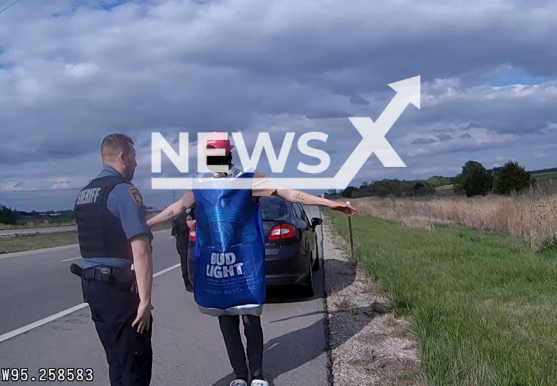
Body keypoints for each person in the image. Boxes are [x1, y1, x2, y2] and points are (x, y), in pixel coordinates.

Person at [146, 133, 356, 386]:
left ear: (228, 155)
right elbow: (178, 207)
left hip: (244, 263)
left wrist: (328, 203)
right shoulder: (201, 183)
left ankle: (256, 374)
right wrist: (146, 224)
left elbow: (287, 193)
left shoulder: (248, 179)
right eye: (210, 156)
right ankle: (239, 375)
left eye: (219, 155)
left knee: (250, 316)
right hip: (217, 264)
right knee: (226, 318)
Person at [73, 133, 154, 386]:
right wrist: (145, 301)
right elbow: (140, 251)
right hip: (116, 291)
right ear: (122, 157)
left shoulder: (85, 193)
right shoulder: (123, 192)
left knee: (117, 361)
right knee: (135, 362)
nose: (136, 164)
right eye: (134, 157)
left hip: (92, 287)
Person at [171, 206, 194, 292]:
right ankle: (188, 284)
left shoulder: (190, 212)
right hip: (183, 240)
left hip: (188, 239)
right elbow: (189, 224)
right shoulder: (181, 214)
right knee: (185, 261)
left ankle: (193, 282)